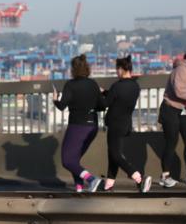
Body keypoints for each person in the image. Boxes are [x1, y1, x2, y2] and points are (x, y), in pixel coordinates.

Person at [53, 54, 104, 192]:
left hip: (78, 126)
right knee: (74, 160)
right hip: (93, 126)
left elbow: (62, 106)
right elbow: (102, 105)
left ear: (73, 69)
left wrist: (55, 99)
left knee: (67, 161)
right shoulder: (93, 84)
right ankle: (79, 188)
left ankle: (92, 180)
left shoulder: (71, 85)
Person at [100, 56, 151, 193]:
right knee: (112, 154)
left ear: (122, 69)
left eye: (117, 69)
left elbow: (106, 104)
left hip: (114, 123)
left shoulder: (117, 86)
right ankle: (109, 185)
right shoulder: (135, 86)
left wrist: (100, 95)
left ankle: (138, 177)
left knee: (115, 154)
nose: (116, 72)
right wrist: (106, 92)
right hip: (125, 123)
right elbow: (119, 99)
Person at [158, 46, 186, 188]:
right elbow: (179, 91)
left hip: (185, 109)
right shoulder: (181, 69)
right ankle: (165, 175)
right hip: (170, 109)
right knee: (171, 142)